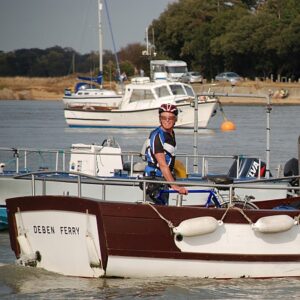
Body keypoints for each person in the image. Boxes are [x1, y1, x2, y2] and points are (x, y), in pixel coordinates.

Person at [144, 103, 188, 205]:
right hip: (154, 179)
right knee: (155, 210)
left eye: (170, 118)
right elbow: (162, 164)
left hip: (164, 179)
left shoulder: (171, 133)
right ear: (160, 119)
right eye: (164, 117)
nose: (167, 120)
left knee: (165, 207)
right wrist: (174, 186)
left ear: (175, 119)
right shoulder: (157, 135)